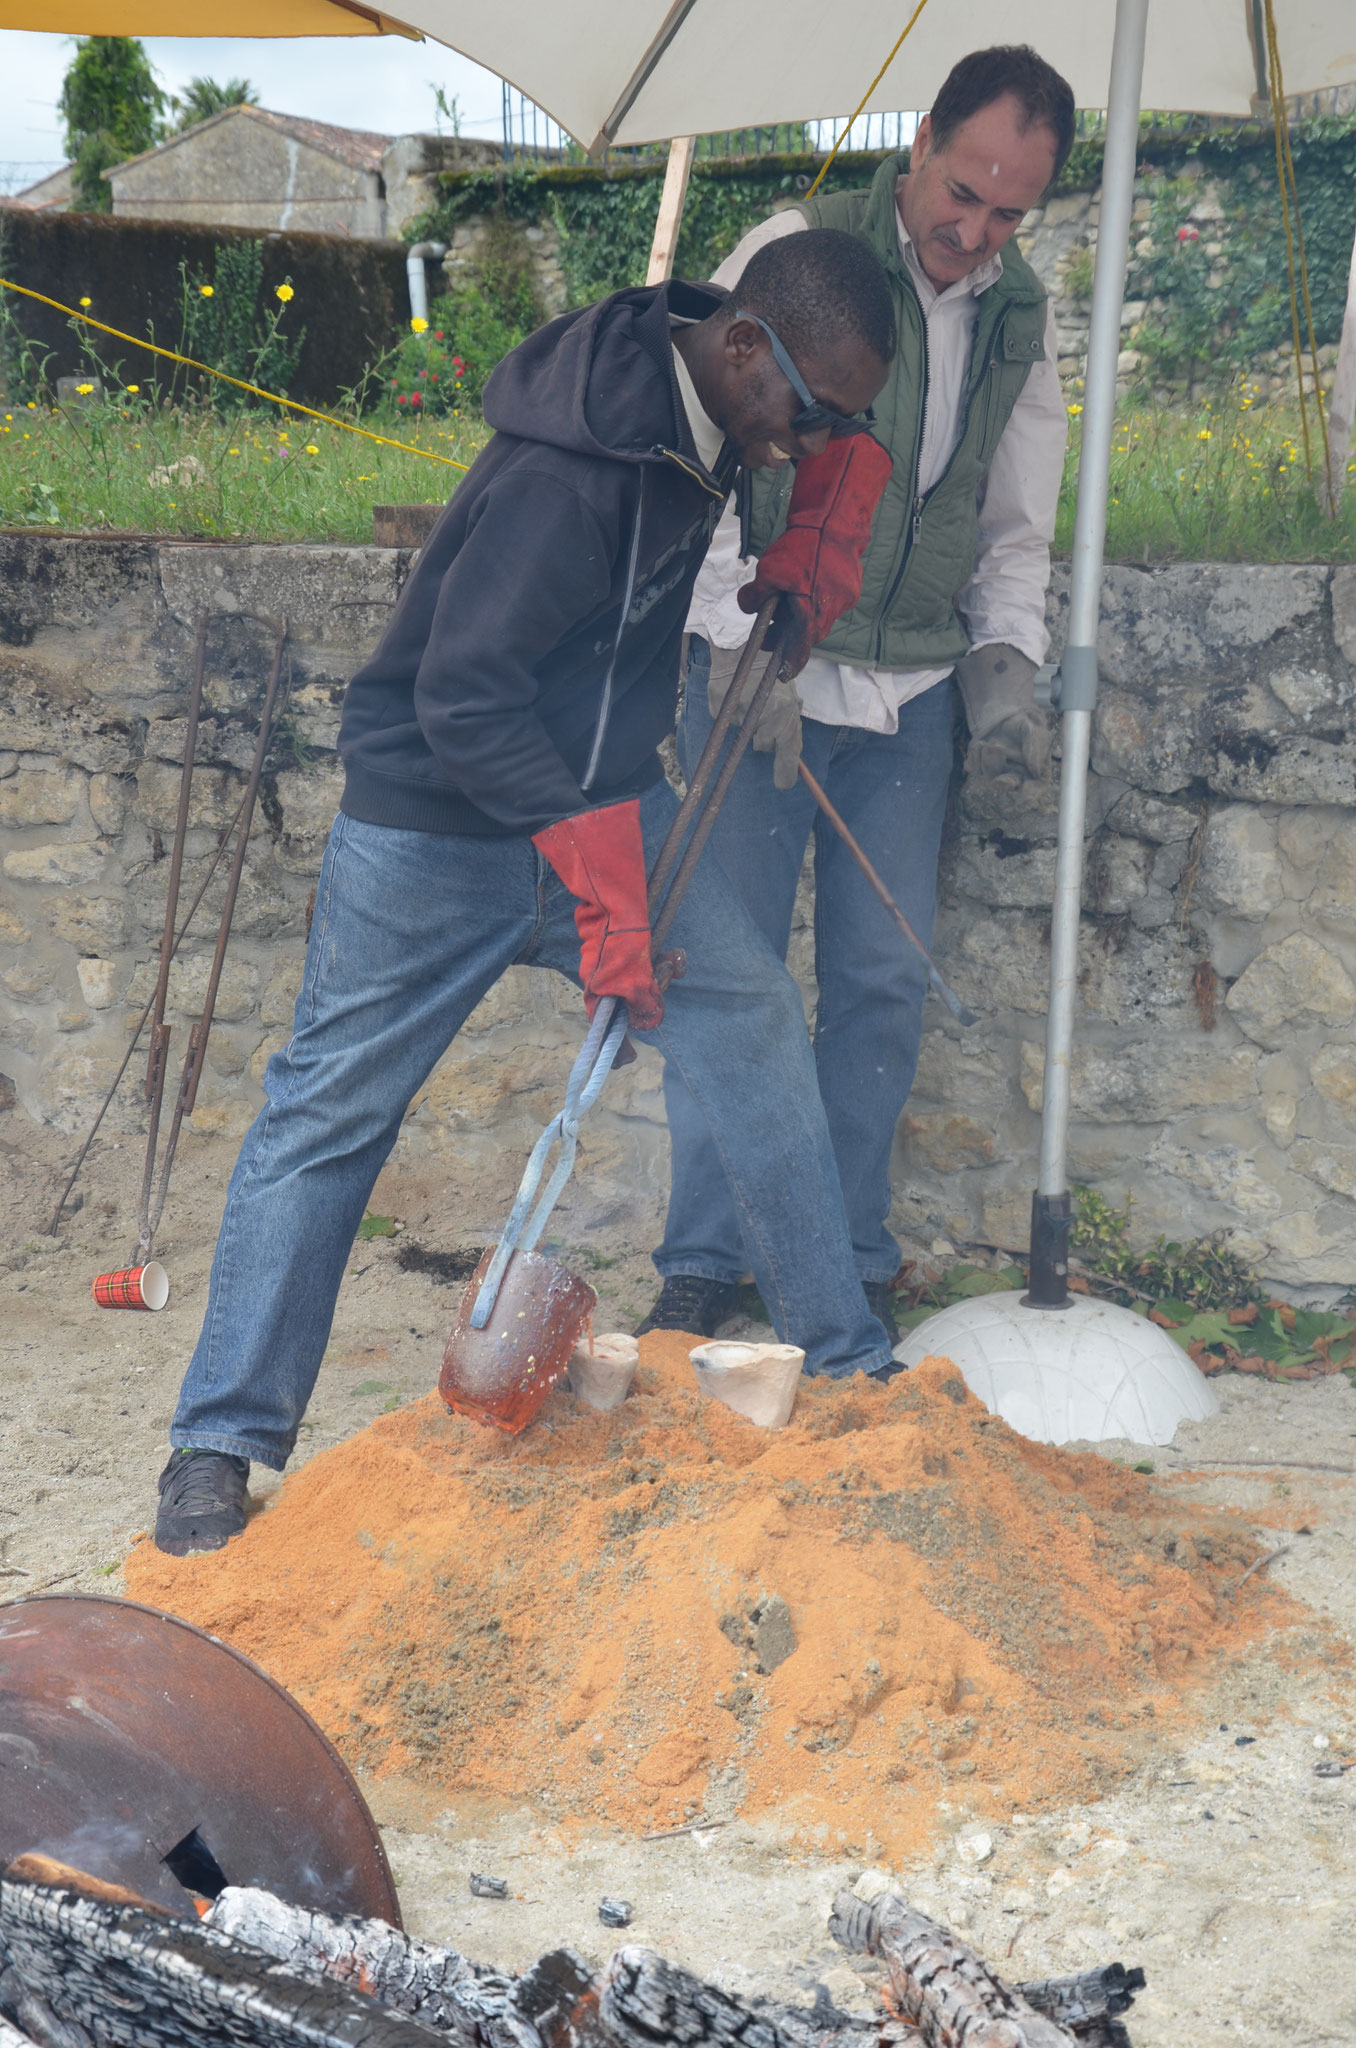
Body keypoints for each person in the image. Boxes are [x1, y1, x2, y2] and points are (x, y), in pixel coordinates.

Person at [153, 228, 905, 1557]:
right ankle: (220, 1445)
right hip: (434, 827)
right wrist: (595, 866)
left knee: (749, 1017)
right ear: (743, 350)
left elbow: (802, 455)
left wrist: (824, 511)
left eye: (841, 412)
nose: (810, 433)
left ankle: (845, 1367)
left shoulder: (723, 409)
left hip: (606, 796)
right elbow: (461, 694)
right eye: (815, 406)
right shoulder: (572, 475)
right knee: (330, 1109)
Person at [640, 45, 1075, 1345]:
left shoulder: (1017, 311)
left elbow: (1019, 501)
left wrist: (1007, 650)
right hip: (765, 662)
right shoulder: (798, 245)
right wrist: (726, 637)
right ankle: (707, 1258)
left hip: (914, 689)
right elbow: (699, 440)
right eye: (962, 189)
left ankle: (839, 1252)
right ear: (923, 138)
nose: (974, 228)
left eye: (1009, 210)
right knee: (732, 973)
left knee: (882, 979)